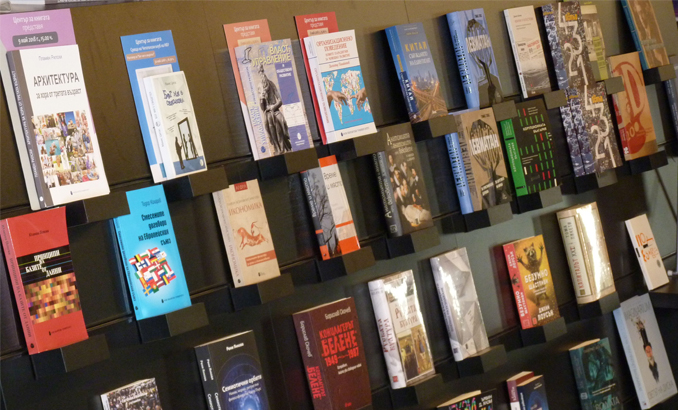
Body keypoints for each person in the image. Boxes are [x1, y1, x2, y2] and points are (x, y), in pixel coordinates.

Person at [258, 64, 291, 154]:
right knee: (268, 127)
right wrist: (261, 99)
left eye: (262, 71)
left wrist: (274, 107)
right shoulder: (259, 87)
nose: (261, 73)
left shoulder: (271, 84)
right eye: (260, 72)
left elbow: (280, 100)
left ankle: (283, 146)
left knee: (281, 122)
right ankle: (277, 148)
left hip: (275, 111)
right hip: (267, 113)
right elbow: (262, 108)